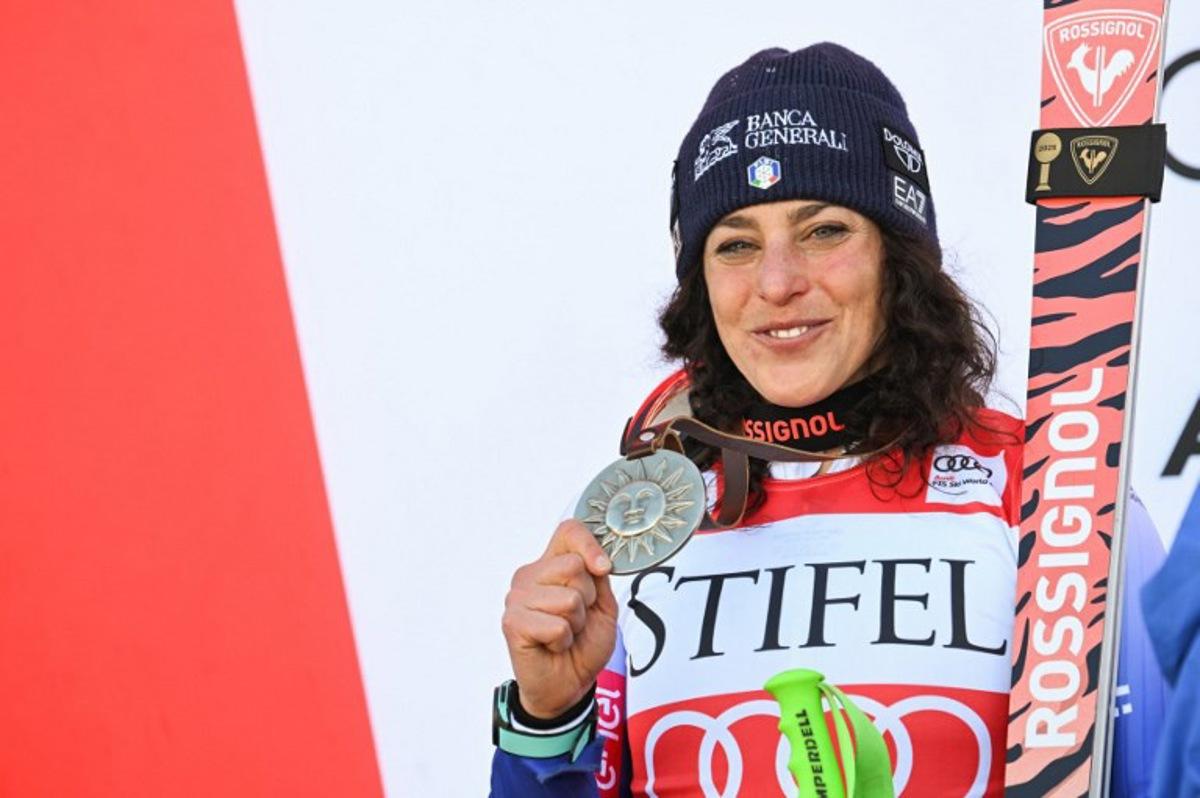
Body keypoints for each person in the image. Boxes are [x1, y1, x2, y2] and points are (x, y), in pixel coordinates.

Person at [489, 43, 1168, 797]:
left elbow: (1161, 774)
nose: (777, 283)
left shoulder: (1055, 493)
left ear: (897, 259)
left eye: (824, 232)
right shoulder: (635, 526)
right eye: (736, 245)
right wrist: (548, 718)